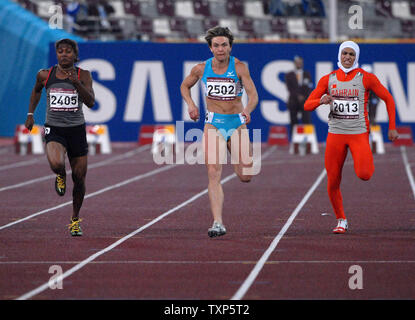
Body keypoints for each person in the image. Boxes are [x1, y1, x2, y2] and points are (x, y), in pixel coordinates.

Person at [304, 40, 398, 234]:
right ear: (339, 55)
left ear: (357, 57)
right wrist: (321, 100)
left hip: (358, 134)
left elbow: (388, 98)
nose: (347, 57)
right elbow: (307, 105)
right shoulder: (328, 79)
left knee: (365, 174)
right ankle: (341, 220)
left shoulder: (366, 78)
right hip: (335, 135)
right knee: (332, 180)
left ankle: (365, 161)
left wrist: (392, 127)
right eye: (344, 53)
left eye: (351, 54)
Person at [180, 26, 259, 238]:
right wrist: (191, 105)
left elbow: (253, 96)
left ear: (230, 47)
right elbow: (184, 86)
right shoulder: (200, 69)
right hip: (213, 124)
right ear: (210, 48)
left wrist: (247, 111)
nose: (221, 49)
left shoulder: (240, 68)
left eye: (224, 45)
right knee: (213, 173)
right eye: (216, 45)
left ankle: (239, 159)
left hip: (236, 123)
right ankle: (217, 222)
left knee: (245, 176)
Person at [25, 39, 95, 236]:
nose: (64, 55)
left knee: (80, 179)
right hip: (54, 128)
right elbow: (36, 91)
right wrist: (30, 114)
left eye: (68, 52)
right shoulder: (45, 75)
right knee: (56, 163)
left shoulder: (84, 75)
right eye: (60, 52)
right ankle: (61, 174)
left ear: (75, 55)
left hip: (77, 130)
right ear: (57, 55)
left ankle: (74, 219)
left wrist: (76, 84)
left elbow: (90, 102)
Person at [285, 55, 313, 136]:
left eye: (300, 63)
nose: (299, 64)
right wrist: (298, 96)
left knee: (307, 120)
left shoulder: (307, 74)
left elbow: (309, 86)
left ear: (302, 63)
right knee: (293, 121)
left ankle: (308, 139)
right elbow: (289, 88)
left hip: (304, 101)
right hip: (293, 101)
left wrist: (303, 96)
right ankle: (294, 140)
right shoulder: (289, 75)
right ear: (294, 64)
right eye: (297, 63)